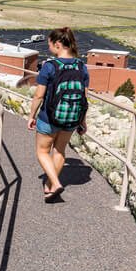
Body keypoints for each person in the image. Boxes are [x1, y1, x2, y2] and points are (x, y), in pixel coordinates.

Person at [26, 27, 89, 202]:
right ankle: (50, 186)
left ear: (58, 44)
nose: (49, 48)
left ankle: (55, 182)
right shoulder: (81, 66)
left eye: (50, 45)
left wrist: (31, 116)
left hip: (49, 117)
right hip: (72, 118)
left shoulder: (49, 66)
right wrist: (82, 121)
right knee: (60, 150)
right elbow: (83, 97)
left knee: (42, 151)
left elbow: (39, 95)